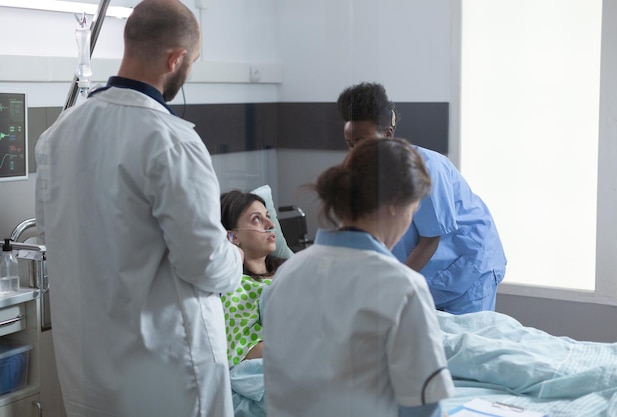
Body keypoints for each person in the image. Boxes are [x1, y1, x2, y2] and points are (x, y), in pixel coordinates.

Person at [34, 1, 243, 416]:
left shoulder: (58, 136)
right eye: (192, 62)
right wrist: (233, 252)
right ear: (176, 59)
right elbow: (206, 265)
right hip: (169, 376)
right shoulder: (171, 141)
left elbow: (49, 235)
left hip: (91, 376)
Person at [262, 138, 455, 417]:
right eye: (412, 213)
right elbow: (423, 410)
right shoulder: (402, 287)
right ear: (396, 204)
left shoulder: (284, 276)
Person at [337, 82, 507, 314]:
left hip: (470, 267)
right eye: (349, 144)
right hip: (428, 274)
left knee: (470, 341)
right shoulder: (364, 175)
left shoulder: (426, 168)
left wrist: (392, 286)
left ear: (387, 134)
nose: (354, 152)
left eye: (361, 142)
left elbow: (430, 240)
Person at [219, 190, 286, 367]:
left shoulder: (292, 269)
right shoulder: (236, 287)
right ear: (233, 236)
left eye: (268, 216)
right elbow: (243, 350)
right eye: (256, 219)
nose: (270, 224)